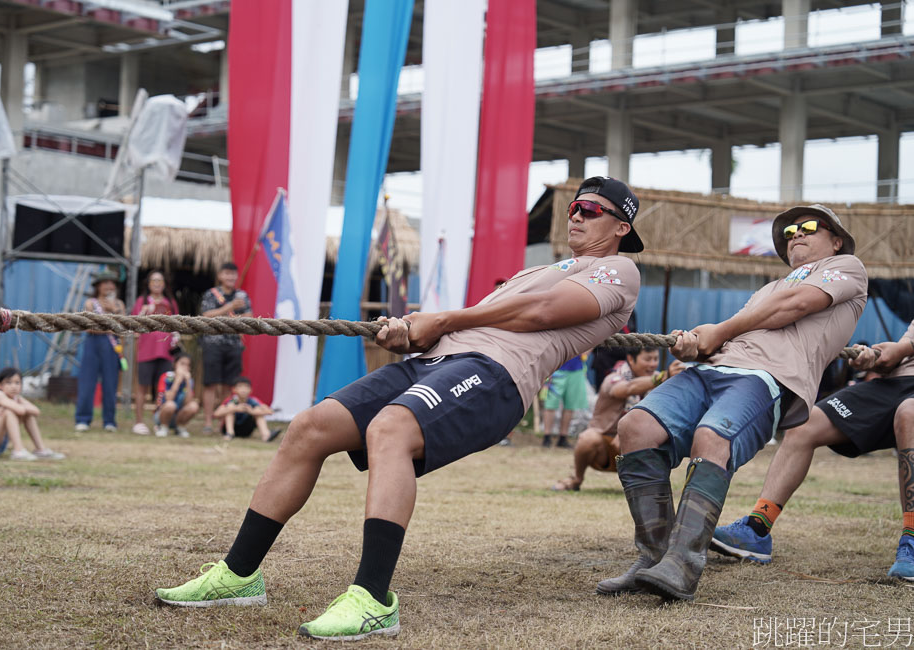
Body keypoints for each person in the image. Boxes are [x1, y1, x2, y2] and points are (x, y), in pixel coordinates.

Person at [154, 176, 643, 640]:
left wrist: (444, 317)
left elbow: (541, 313)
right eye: (574, 207)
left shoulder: (619, 269)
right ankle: (238, 575)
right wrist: (411, 333)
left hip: (495, 375)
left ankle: (372, 600)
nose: (576, 216)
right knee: (310, 426)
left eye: (591, 210)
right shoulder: (537, 270)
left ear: (620, 227)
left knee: (391, 429)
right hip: (437, 361)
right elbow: (477, 321)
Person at [597, 204, 867, 602]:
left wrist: (718, 330)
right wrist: (696, 347)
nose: (796, 234)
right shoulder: (767, 289)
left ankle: (683, 563)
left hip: (768, 379)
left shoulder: (847, 267)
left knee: (712, 436)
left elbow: (794, 306)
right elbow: (730, 339)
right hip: (716, 371)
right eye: (789, 231)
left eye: (809, 227)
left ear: (837, 239)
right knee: (634, 428)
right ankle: (653, 557)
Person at [711, 321, 914, 581]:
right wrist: (882, 358)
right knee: (804, 424)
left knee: (909, 414)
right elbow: (901, 354)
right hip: (896, 383)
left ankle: (911, 539)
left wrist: (903, 347)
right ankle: (757, 528)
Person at [552, 348, 682, 491]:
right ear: (631, 360)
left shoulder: (661, 380)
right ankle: (576, 479)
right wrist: (662, 377)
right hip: (605, 450)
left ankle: (650, 485)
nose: (652, 364)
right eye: (647, 359)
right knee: (588, 438)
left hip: (638, 446)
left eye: (655, 359)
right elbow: (626, 388)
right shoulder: (615, 378)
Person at [0, 368, 64, 460]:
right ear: (0, 385)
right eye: (8, 383)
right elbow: (20, 410)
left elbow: (36, 411)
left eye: (17, 383)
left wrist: (23, 406)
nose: (13, 386)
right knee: (8, 412)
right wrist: (23, 407)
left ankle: (40, 449)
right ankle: (18, 450)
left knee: (27, 414)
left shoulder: (17, 398)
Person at [199, 262, 252, 434]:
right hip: (212, 344)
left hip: (234, 344)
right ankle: (208, 422)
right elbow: (205, 316)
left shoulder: (242, 295)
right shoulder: (211, 294)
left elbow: (249, 317)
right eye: (227, 273)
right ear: (220, 275)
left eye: (233, 274)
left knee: (229, 385)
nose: (230, 277)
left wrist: (237, 315)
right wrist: (229, 308)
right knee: (210, 384)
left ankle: (224, 423)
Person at [75, 269, 126, 433]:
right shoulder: (91, 303)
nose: (109, 286)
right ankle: (83, 419)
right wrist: (108, 329)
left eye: (112, 283)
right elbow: (88, 327)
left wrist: (113, 310)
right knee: (87, 383)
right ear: (98, 286)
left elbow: (123, 327)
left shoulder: (119, 304)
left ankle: (109, 420)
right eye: (105, 283)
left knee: (111, 384)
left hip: (112, 346)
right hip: (93, 344)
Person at [131, 270, 179, 435]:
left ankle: (160, 422)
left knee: (163, 389)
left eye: (160, 280)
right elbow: (134, 323)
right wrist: (144, 310)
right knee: (142, 387)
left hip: (165, 352)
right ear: (148, 284)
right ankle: (139, 422)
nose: (157, 283)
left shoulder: (170, 302)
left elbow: (177, 325)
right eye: (154, 280)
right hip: (146, 351)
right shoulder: (141, 301)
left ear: (164, 284)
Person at [541, 354, 588, 448]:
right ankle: (546, 437)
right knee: (550, 404)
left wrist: (587, 351)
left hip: (576, 369)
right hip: (555, 369)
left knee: (570, 406)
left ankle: (563, 437)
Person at [213, 377, 279, 442]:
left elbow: (270, 411)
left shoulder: (253, 401)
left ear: (250, 390)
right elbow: (216, 414)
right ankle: (230, 434)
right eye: (240, 387)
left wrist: (251, 411)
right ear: (234, 389)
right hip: (228, 428)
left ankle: (266, 435)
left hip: (246, 430)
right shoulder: (232, 400)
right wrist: (235, 409)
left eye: (246, 387)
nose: (243, 390)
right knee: (230, 408)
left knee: (257, 410)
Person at [153, 353, 200, 438]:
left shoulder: (189, 381)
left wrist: (188, 383)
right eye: (182, 364)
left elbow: (188, 402)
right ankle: (163, 427)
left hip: (178, 415)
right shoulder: (167, 377)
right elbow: (168, 399)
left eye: (188, 365)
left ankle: (180, 428)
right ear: (175, 364)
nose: (185, 367)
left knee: (194, 406)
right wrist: (177, 380)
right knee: (171, 405)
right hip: (162, 414)